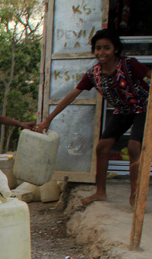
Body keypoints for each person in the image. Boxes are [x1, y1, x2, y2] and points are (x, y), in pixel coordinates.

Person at [36, 28, 150, 206]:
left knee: (134, 148)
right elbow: (71, 96)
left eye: (106, 48)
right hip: (123, 111)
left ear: (115, 50)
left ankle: (136, 195)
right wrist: (48, 119)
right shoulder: (93, 74)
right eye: (98, 48)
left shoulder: (129, 64)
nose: (101, 52)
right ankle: (100, 192)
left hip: (144, 108)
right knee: (102, 148)